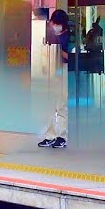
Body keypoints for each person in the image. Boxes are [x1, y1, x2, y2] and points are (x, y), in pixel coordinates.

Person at [39, 9, 71, 149]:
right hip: (51, 70)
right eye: (54, 23)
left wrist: (58, 49)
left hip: (63, 70)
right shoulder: (49, 35)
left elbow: (70, 57)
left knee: (62, 105)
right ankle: (49, 136)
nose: (55, 26)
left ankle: (62, 136)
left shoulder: (68, 37)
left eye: (57, 24)